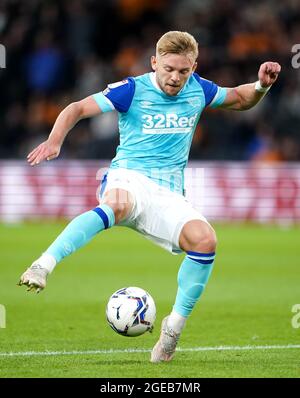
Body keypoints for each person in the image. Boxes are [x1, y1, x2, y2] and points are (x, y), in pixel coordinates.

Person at [18, 31, 281, 363]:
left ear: (193, 67)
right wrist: (55, 140)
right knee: (116, 205)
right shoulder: (131, 89)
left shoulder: (199, 88)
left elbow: (241, 99)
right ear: (155, 62)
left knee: (205, 241)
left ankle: (172, 329)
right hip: (128, 176)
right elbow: (77, 108)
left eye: (183, 71)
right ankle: (43, 264)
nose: (175, 78)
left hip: (167, 192)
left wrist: (261, 86)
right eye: (169, 68)